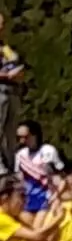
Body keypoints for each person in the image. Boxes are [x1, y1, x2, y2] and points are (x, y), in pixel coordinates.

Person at [13, 120, 64, 214]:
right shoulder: (20, 154)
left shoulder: (48, 150)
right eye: (19, 138)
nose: (22, 141)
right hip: (27, 201)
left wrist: (56, 195)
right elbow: (18, 178)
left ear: (35, 135)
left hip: (46, 200)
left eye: (26, 137)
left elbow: (60, 176)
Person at [0, 13, 23, 176]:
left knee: (10, 131)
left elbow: (15, 62)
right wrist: (6, 76)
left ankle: (10, 165)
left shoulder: (5, 47)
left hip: (12, 90)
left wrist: (19, 73)